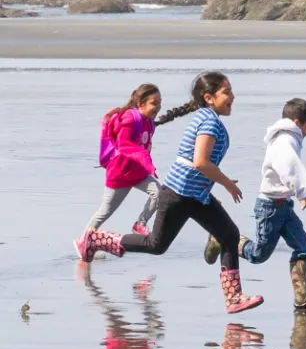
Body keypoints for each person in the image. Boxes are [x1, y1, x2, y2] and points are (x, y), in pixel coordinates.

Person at [73, 71, 264, 314]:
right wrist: (226, 182)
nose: (232, 97)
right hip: (179, 195)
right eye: (226, 92)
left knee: (229, 235)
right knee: (156, 245)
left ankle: (233, 298)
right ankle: (98, 240)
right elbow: (200, 162)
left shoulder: (208, 118)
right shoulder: (208, 122)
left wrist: (213, 186)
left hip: (196, 195)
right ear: (209, 97)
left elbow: (200, 166)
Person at [204, 98, 306, 309]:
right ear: (299, 123)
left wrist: (301, 194)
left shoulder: (288, 138)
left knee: (303, 246)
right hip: (270, 207)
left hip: (284, 206)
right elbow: (288, 168)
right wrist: (304, 193)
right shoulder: (285, 141)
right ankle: (221, 238)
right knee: (257, 255)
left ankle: (303, 294)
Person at [74, 84, 162, 262]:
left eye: (160, 102)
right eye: (154, 103)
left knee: (158, 193)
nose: (158, 107)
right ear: (140, 104)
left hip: (138, 172)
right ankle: (83, 240)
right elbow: (123, 144)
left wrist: (145, 163)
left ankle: (140, 223)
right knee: (105, 211)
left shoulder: (148, 121)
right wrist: (145, 158)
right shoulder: (129, 119)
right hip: (120, 174)